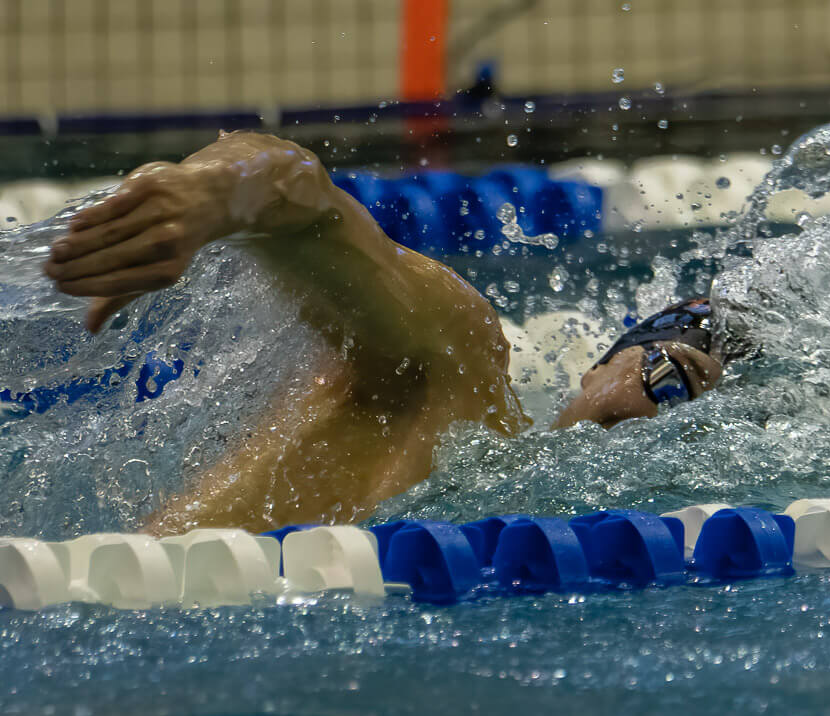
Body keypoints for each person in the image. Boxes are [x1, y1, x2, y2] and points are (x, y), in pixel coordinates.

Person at [42, 132, 725, 534]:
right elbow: (304, 193)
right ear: (604, 364)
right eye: (672, 378)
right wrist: (214, 195)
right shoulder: (455, 369)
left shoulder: (518, 521)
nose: (666, 415)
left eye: (700, 418)